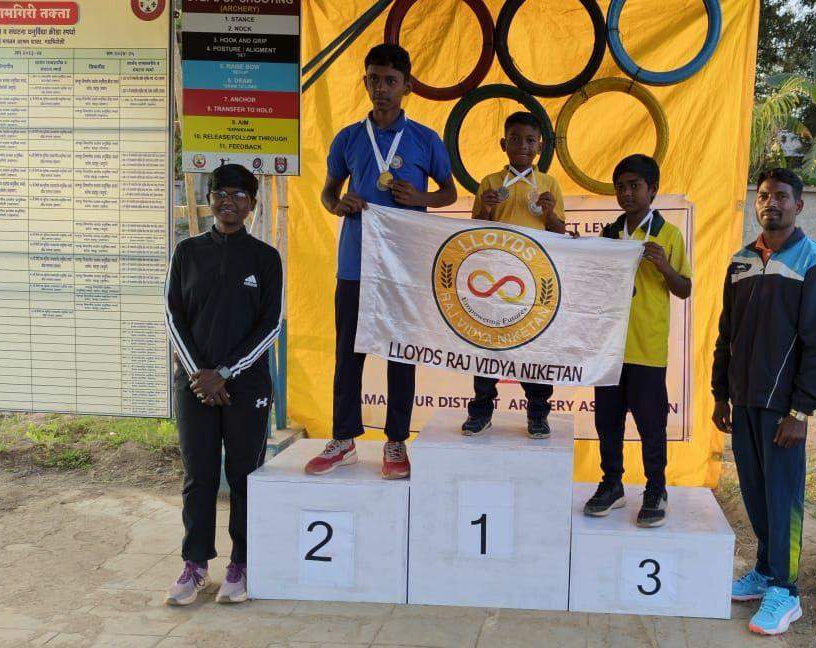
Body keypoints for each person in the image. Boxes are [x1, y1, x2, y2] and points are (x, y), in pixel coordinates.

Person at [304, 43, 457, 478]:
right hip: (356, 263)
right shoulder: (349, 138)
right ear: (364, 81)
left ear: (407, 86)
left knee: (400, 354)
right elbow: (328, 191)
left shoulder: (425, 139)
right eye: (374, 79)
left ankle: (396, 442)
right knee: (348, 353)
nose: (381, 88)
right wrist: (338, 205)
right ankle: (343, 439)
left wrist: (422, 197)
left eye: (390, 81)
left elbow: (448, 192)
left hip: (404, 267)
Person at [711, 168, 816, 635]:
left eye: (782, 196)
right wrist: (720, 394)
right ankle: (766, 571)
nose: (772, 203)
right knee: (755, 493)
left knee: (783, 498)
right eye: (764, 196)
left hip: (783, 409)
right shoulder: (741, 261)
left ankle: (786, 591)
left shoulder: (815, 262)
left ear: (798, 205)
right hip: (743, 400)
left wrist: (801, 411)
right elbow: (726, 334)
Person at [164, 164, 283, 605]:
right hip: (195, 384)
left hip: (245, 386)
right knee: (199, 476)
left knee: (243, 475)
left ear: (252, 204)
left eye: (239, 195)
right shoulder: (187, 252)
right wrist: (201, 374)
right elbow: (173, 316)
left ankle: (242, 564)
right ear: (209, 198)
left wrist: (227, 373)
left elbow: (271, 325)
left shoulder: (265, 258)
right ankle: (195, 563)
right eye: (220, 194)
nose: (228, 202)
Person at [583, 154, 691, 528]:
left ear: (653, 190)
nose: (627, 193)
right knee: (607, 421)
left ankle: (656, 488)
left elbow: (684, 289)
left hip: (646, 347)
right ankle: (612, 483)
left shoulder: (668, 235)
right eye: (621, 187)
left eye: (635, 186)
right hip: (610, 349)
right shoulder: (609, 234)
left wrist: (663, 266)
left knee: (650, 424)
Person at [460, 111, 568, 439]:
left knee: (534, 348)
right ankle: (481, 411)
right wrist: (487, 208)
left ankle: (538, 414)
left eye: (530, 140)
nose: (523, 145)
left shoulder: (549, 184)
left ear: (540, 147)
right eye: (516, 139)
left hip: (534, 279)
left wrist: (549, 213)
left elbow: (560, 232)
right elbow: (476, 231)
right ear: (503, 144)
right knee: (488, 347)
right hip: (495, 279)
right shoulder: (490, 183)